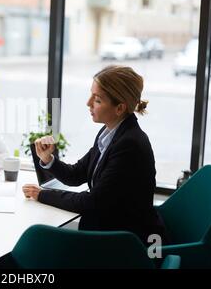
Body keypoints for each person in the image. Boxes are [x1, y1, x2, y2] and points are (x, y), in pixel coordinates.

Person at [23, 65, 169, 245]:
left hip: (125, 244)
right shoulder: (109, 132)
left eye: (97, 100)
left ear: (119, 108)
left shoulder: (130, 145)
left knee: (34, 247)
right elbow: (76, 175)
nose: (88, 102)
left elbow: (92, 202)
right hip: (107, 233)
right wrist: (48, 159)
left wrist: (42, 195)